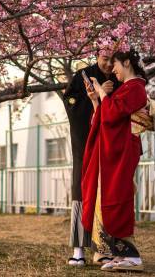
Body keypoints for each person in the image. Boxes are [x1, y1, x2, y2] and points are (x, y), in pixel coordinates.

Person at [81, 48, 148, 272]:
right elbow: (106, 116)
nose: (113, 69)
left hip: (122, 151)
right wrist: (96, 100)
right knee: (111, 196)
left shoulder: (136, 87)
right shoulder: (129, 88)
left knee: (118, 197)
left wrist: (101, 92)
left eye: (116, 64)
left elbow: (112, 115)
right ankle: (119, 254)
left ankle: (133, 257)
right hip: (114, 150)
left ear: (127, 63)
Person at [63, 50, 120, 267]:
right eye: (104, 58)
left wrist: (107, 96)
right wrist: (93, 97)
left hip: (110, 145)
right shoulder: (83, 75)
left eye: (112, 59)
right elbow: (70, 102)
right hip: (85, 143)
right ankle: (78, 249)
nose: (108, 64)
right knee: (81, 191)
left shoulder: (119, 76)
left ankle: (103, 250)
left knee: (107, 194)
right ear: (97, 56)